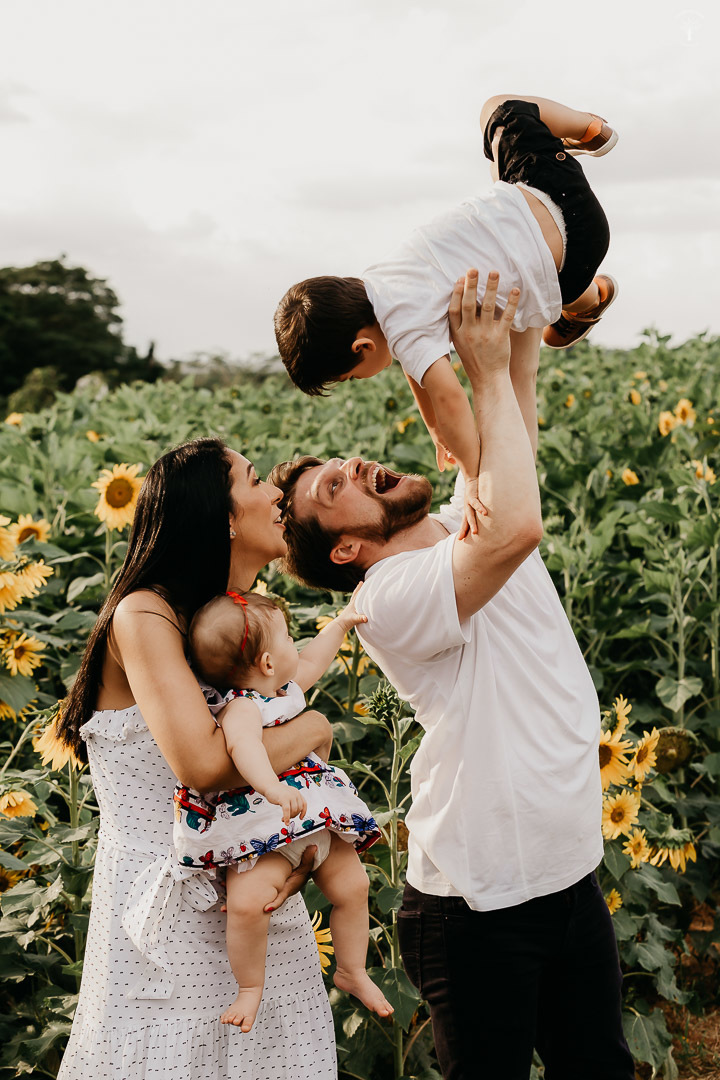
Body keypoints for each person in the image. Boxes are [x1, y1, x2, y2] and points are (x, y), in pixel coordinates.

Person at [268, 273, 636, 1079]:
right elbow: (519, 528)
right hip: (478, 905)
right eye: (336, 487)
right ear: (344, 550)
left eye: (342, 462)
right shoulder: (387, 597)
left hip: (567, 874)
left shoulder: (469, 511)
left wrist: (538, 308)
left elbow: (516, 421)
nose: (356, 464)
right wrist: (478, 370)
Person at [55, 438, 338, 1080]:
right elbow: (206, 767)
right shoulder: (145, 613)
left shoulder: (242, 623)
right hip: (166, 918)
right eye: (254, 478)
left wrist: (308, 845)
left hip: (254, 891)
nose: (275, 493)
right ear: (225, 515)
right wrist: (318, 725)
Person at [274, 94, 618, 538]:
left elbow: (451, 397)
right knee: (499, 109)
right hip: (548, 193)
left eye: (353, 376)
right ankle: (592, 129)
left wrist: (476, 479)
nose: (365, 378)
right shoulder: (380, 283)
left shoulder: (403, 326)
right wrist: (435, 429)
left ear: (362, 347)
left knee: (522, 366)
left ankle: (585, 300)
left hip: (571, 253)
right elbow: (418, 375)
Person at [163, 587, 392, 1031]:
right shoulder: (241, 709)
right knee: (249, 906)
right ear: (267, 662)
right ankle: (250, 987)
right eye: (288, 638)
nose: (296, 647)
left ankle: (352, 970)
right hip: (263, 828)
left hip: (315, 816)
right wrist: (270, 787)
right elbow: (244, 751)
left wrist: (342, 623)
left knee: (354, 886)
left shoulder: (283, 689)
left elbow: (311, 661)